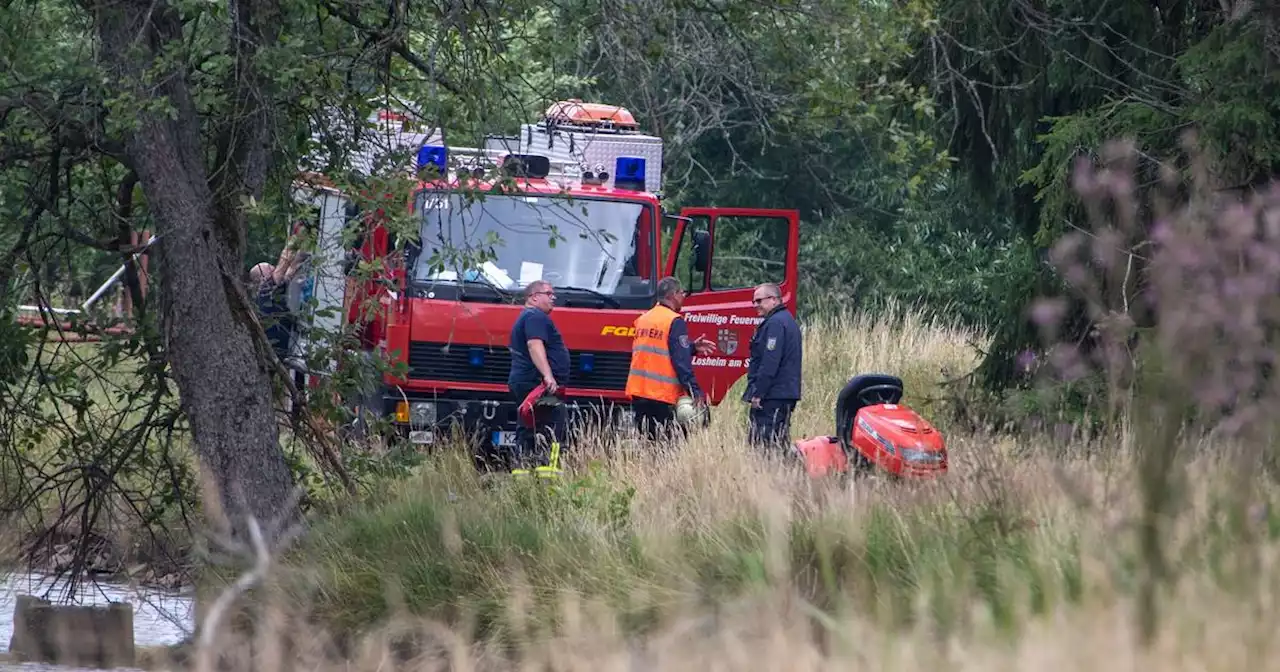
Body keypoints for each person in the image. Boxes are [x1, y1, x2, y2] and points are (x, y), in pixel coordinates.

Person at [625, 276, 716, 440]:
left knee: (647, 442)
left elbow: (657, 350)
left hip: (639, 392)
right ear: (672, 295)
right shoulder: (674, 320)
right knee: (667, 446)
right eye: (682, 293)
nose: (683, 297)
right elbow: (681, 363)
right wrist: (695, 391)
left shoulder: (644, 319)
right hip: (662, 396)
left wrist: (692, 347)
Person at [508, 280, 571, 471]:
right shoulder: (535, 317)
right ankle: (547, 472)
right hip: (537, 384)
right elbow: (534, 345)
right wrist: (548, 376)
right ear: (534, 297)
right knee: (553, 424)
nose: (553, 298)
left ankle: (523, 472)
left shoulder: (527, 317)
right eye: (548, 294)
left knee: (528, 428)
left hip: (528, 382)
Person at [744, 282, 802, 453]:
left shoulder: (775, 324)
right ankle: (780, 476)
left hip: (772, 396)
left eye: (759, 301)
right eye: (754, 301)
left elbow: (770, 362)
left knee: (763, 446)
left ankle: (766, 477)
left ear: (774, 300)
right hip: (784, 394)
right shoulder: (787, 321)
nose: (755, 305)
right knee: (778, 443)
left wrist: (758, 393)